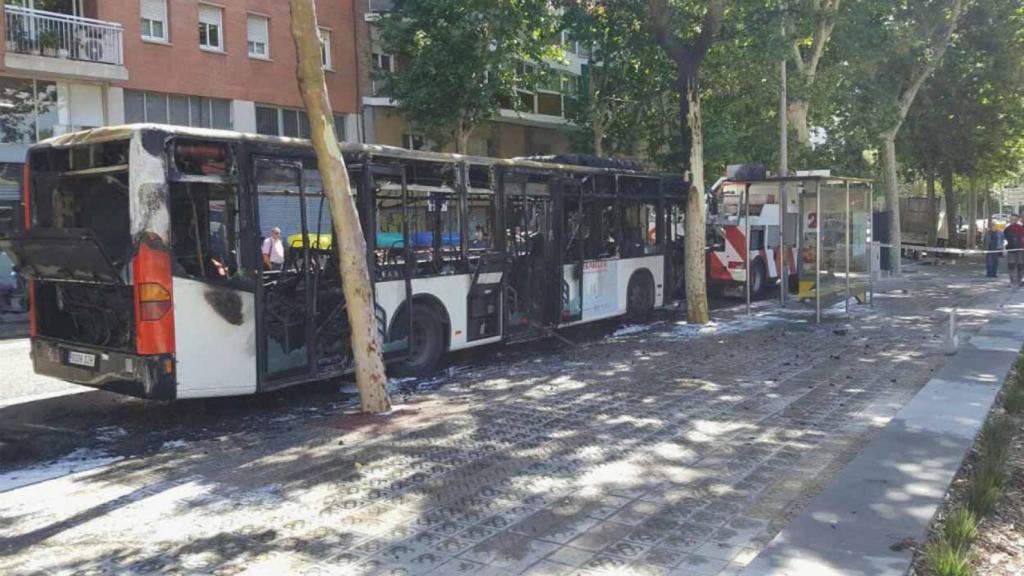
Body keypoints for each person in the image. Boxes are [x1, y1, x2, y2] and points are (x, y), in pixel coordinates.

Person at [1003, 215, 1024, 287]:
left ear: (1017, 219)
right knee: (1011, 265)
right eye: (1012, 219)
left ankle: (1020, 280)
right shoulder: (1007, 229)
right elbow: (1005, 239)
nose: (1013, 220)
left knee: (1020, 265)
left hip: (1020, 249)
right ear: (1010, 219)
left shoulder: (1021, 228)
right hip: (1011, 250)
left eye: (1015, 219)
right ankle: (1012, 281)